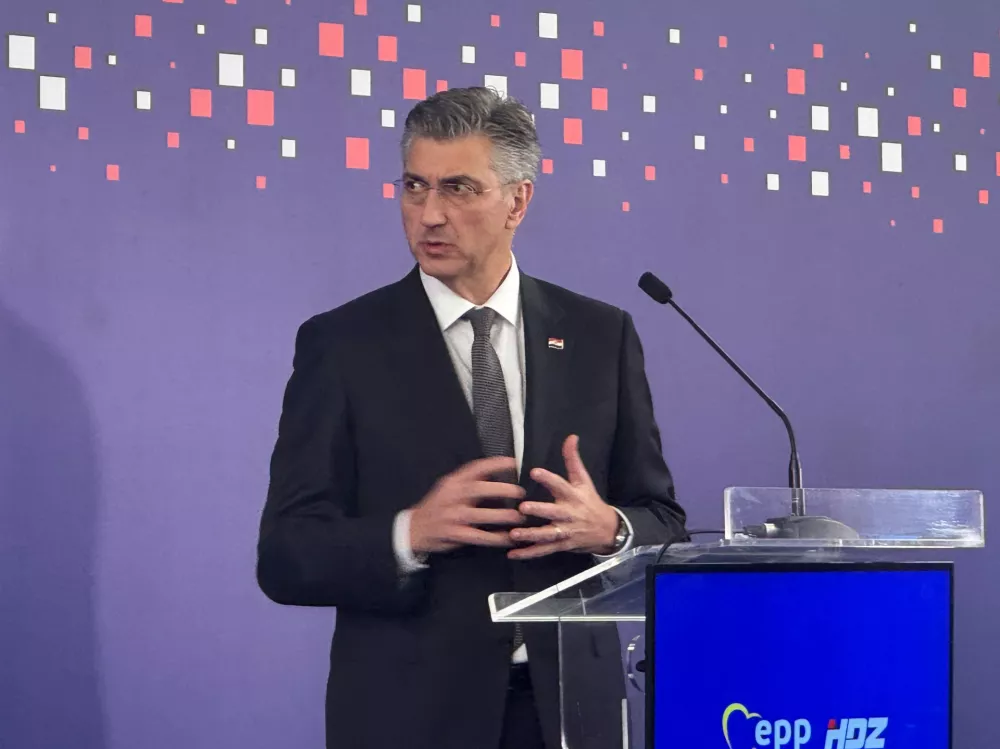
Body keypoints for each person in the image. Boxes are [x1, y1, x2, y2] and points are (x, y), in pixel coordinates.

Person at [256, 86, 687, 749]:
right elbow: (286, 553)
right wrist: (409, 533)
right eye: (415, 186)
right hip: (410, 715)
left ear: (518, 200)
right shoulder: (342, 345)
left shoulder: (601, 335)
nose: (429, 214)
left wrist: (609, 528)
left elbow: (663, 519)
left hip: (570, 710)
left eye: (458, 188)